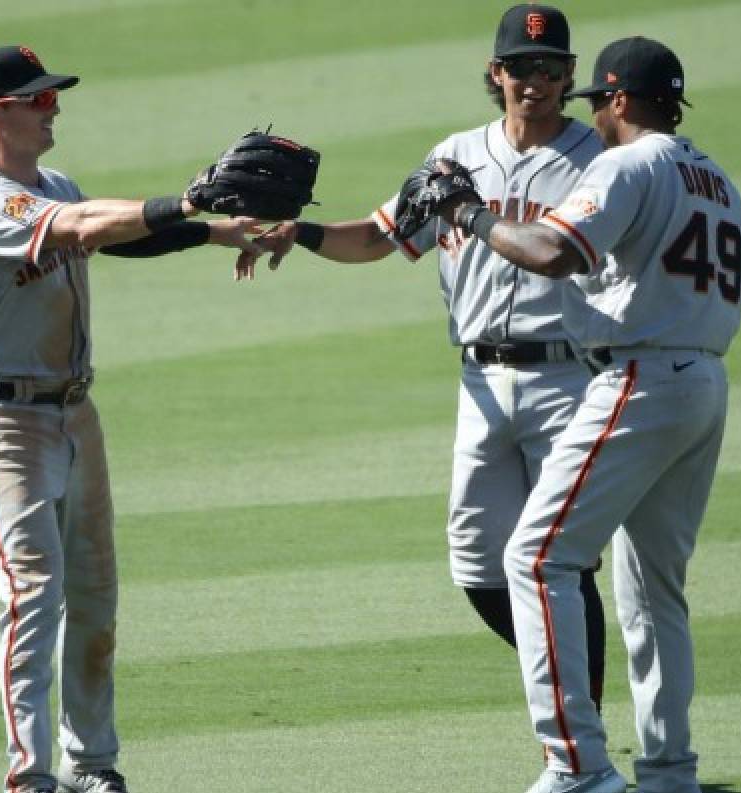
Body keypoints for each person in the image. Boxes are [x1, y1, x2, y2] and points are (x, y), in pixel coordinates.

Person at [257, 4, 610, 708]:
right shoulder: (458, 156)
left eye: (548, 68)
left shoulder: (599, 162)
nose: (533, 81)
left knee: (560, 563)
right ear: (495, 72)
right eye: (519, 67)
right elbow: (379, 237)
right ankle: (566, 687)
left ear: (570, 75)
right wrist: (301, 233)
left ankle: (581, 733)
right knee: (478, 566)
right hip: (480, 383)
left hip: (569, 379)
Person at [427, 36, 741, 793]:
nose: (593, 121)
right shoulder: (716, 178)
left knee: (536, 558)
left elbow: (550, 250)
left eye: (595, 104)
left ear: (614, 99)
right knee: (652, 588)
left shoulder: (628, 164)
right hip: (705, 380)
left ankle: (578, 767)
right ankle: (670, 774)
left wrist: (470, 216)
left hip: (641, 378)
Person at [0, 45, 266, 793]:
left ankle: (92, 767)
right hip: (2, 423)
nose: (54, 107)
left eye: (53, 96)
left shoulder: (53, 184)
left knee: (93, 593)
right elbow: (81, 229)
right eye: (39, 99)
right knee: (33, 593)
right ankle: (31, 780)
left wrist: (214, 228)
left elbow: (111, 232)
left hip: (75, 413)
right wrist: (188, 200)